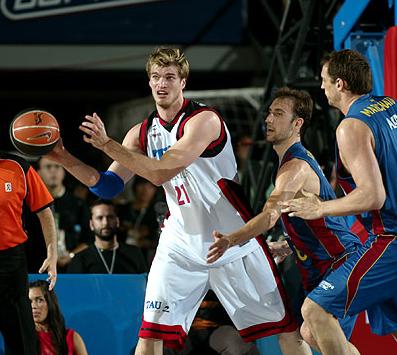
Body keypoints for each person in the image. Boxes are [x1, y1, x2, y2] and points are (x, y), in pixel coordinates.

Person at [46, 47, 308, 355]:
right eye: (156, 77)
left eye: (170, 77)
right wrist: (63, 158)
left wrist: (107, 144)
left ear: (183, 82)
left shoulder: (204, 120)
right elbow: (106, 187)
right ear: (149, 82)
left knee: (287, 331)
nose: (162, 84)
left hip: (232, 240)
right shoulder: (141, 133)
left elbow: (161, 172)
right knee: (149, 335)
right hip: (180, 244)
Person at [206, 87, 361, 353]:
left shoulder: (294, 168)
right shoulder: (290, 163)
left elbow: (270, 215)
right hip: (315, 265)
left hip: (340, 263)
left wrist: (231, 239)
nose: (268, 119)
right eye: (269, 113)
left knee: (312, 332)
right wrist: (290, 243)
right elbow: (310, 220)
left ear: (297, 123)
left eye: (278, 114)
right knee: (293, 334)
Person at [280, 49, 397, 353]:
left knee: (314, 312)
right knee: (311, 330)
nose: (321, 87)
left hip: (390, 240)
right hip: (385, 237)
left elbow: (373, 195)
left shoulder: (351, 126)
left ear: (341, 84)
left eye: (324, 80)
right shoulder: (390, 107)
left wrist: (318, 207)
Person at [0, 151, 57, 355]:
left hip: (11, 263)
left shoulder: (18, 166)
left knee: (23, 342)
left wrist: (52, 253)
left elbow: (44, 211)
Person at [37, 157, 91, 272]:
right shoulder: (30, 206)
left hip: (74, 268)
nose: (53, 171)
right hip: (38, 267)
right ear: (38, 173)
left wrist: (71, 255)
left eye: (57, 166)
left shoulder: (78, 204)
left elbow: (89, 239)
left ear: (64, 171)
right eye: (48, 167)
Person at [67, 199, 147, 274]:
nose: (105, 223)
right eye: (99, 218)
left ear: (117, 221)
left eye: (110, 217)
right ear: (91, 224)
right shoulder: (80, 259)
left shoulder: (134, 253)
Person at [29, 279, 88, 355]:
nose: (33, 306)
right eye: (29, 301)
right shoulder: (23, 338)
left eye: (39, 300)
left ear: (50, 303)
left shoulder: (72, 337)